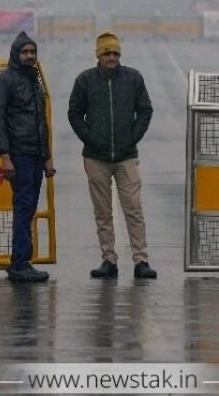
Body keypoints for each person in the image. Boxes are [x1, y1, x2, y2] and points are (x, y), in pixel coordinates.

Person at [67, 31, 156, 279]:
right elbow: (74, 113)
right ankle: (109, 259)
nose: (112, 57)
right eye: (107, 53)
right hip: (96, 157)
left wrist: (132, 137)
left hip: (126, 156)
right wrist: (90, 137)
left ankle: (141, 260)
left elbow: (145, 110)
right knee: (103, 211)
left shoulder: (133, 78)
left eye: (116, 53)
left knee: (134, 208)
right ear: (99, 55)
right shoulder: (84, 80)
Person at [0, 31, 54, 283]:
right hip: (18, 155)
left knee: (27, 207)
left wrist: (47, 156)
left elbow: (42, 122)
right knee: (23, 206)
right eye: (25, 52)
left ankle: (21, 261)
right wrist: (5, 156)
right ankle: (19, 263)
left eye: (32, 52)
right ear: (15, 55)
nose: (29, 56)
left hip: (35, 154)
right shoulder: (5, 81)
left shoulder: (34, 80)